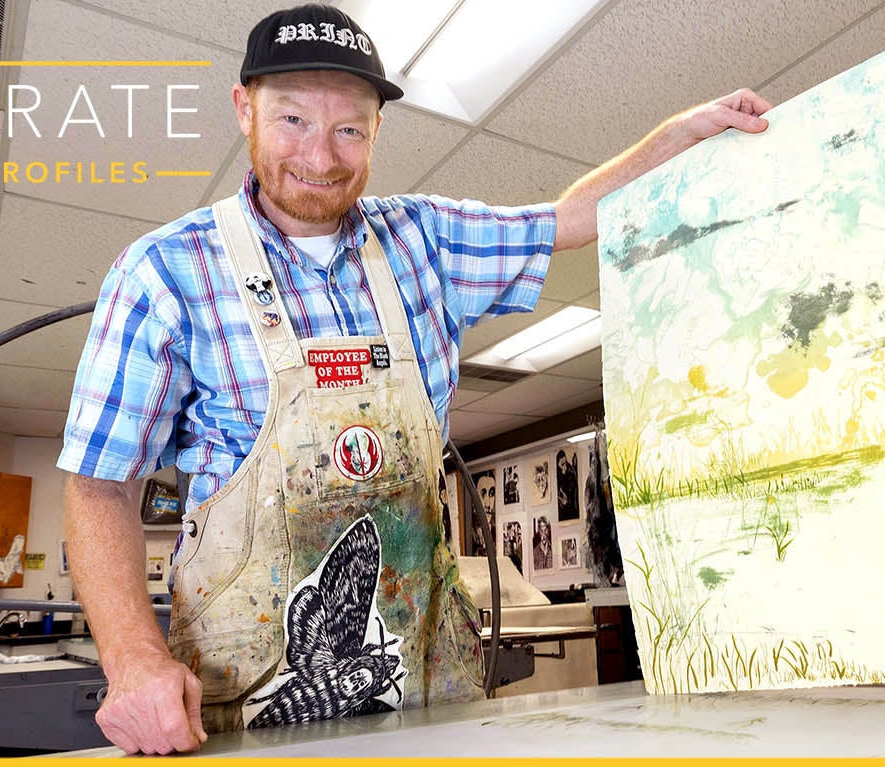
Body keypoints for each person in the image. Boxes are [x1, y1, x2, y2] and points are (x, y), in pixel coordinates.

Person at [58, 3, 770, 755]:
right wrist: (134, 655)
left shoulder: (424, 239)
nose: (322, 156)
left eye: (349, 130)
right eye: (292, 119)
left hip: (433, 696)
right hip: (245, 711)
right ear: (245, 109)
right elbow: (99, 486)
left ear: (377, 129)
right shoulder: (165, 272)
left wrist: (684, 135)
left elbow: (565, 220)